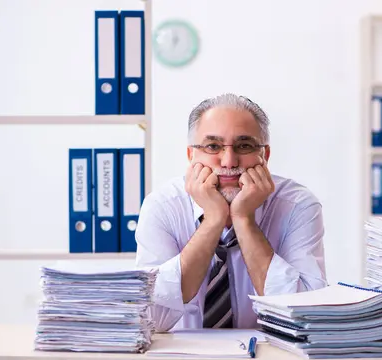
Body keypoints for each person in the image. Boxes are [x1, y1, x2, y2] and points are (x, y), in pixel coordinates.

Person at [135, 93, 327, 332]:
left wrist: (244, 220)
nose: (228, 161)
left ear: (264, 156)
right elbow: (151, 319)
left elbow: (307, 315)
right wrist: (213, 220)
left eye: (244, 146)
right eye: (213, 146)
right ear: (190, 155)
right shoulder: (162, 206)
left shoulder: (297, 206)